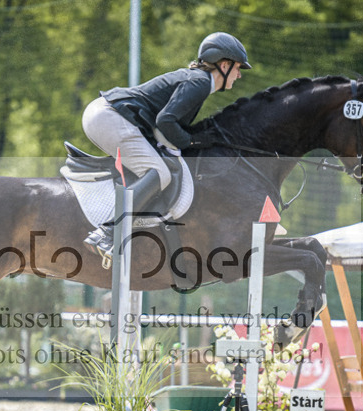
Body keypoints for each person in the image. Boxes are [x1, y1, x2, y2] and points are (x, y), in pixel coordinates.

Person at [81, 32, 251, 256]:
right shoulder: (200, 82)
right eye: (238, 68)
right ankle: (108, 232)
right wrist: (192, 140)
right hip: (109, 116)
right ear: (224, 64)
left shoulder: (199, 81)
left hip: (105, 114)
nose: (238, 75)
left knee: (160, 167)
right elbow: (165, 121)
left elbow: (165, 126)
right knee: (159, 172)